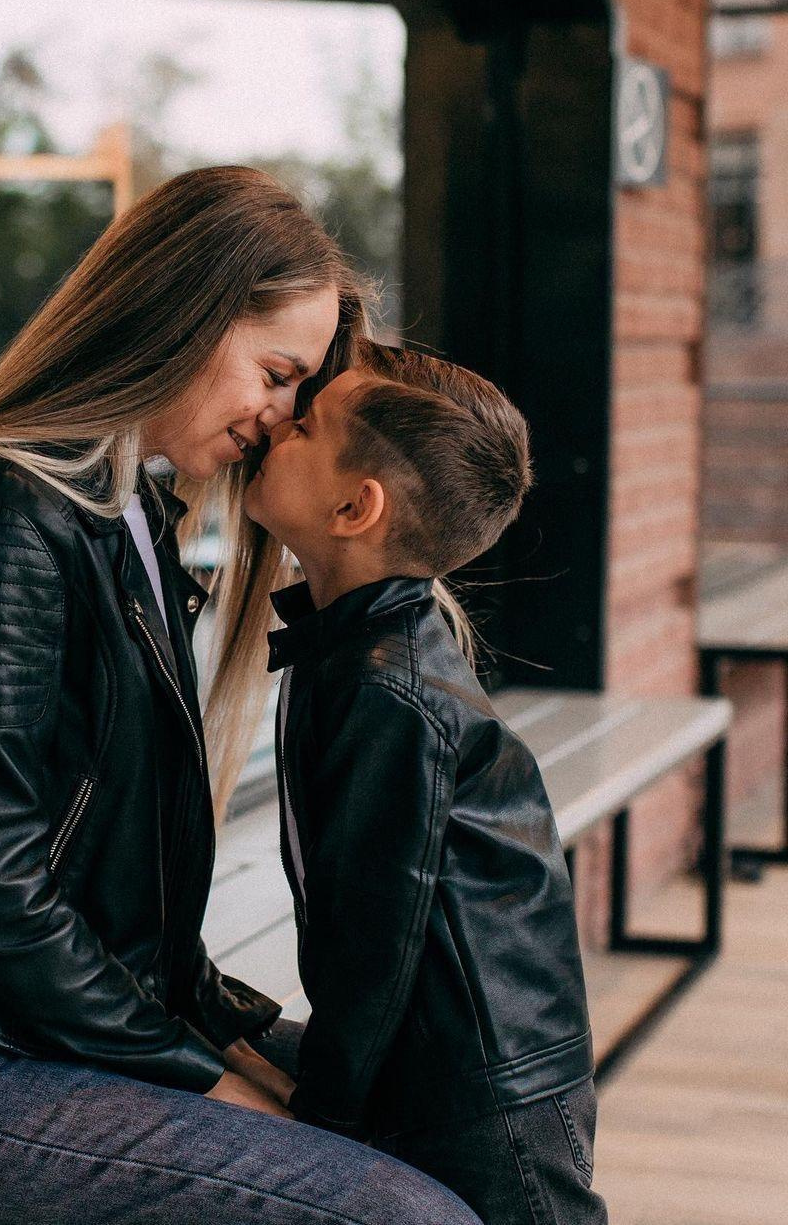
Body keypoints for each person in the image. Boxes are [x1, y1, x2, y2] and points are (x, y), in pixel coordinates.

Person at [0, 168, 481, 1225]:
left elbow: (115, 903)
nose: (278, 416)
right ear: (187, 310)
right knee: (406, 1215)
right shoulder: (7, 511)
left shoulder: (125, 511)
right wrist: (215, 1080)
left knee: (451, 1123)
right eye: (276, 371)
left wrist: (235, 1031)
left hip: (34, 1034)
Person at [243, 341, 608, 1225]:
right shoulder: (356, 651)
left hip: (486, 1096)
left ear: (354, 506)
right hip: (446, 1065)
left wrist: (321, 1114)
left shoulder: (391, 689)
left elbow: (380, 931)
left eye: (309, 424)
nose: (279, 424)